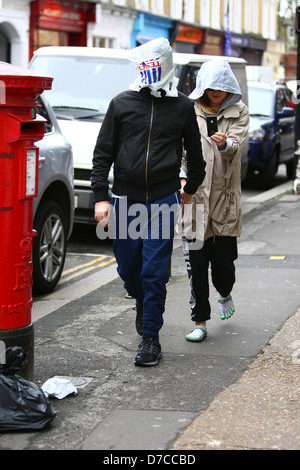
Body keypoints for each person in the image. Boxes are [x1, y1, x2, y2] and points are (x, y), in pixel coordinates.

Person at [91, 38, 206, 366]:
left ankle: (151, 338)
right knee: (129, 269)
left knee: (154, 271)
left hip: (162, 198)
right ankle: (142, 302)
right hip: (125, 199)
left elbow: (195, 157)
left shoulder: (183, 107)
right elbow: (103, 153)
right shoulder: (122, 103)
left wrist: (188, 189)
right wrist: (100, 197)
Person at [181, 59, 249, 342]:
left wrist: (225, 144)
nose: (216, 91)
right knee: (196, 264)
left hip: (224, 199)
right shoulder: (187, 110)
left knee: (223, 265)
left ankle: (225, 291)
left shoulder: (238, 111)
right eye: (211, 86)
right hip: (195, 199)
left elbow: (238, 145)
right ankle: (200, 321)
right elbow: (178, 150)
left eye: (221, 86)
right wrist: (183, 180)